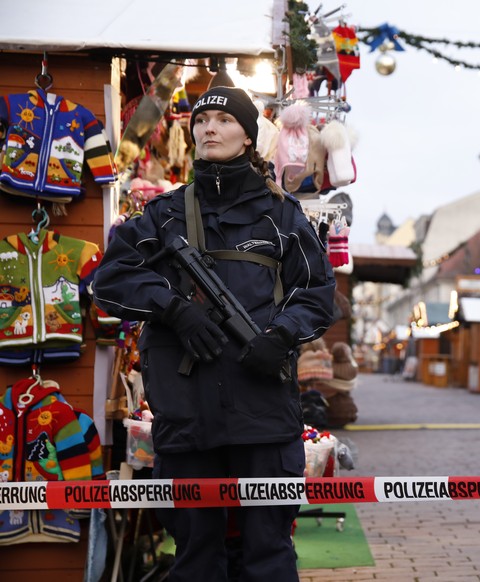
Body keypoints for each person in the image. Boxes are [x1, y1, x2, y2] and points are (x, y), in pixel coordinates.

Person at [93, 86, 336, 581]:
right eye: (202, 120)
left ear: (248, 136)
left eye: (224, 119)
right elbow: (110, 283)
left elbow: (316, 291)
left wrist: (281, 336)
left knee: (267, 553)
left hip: (264, 410)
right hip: (188, 414)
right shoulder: (162, 215)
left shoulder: (282, 215)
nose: (209, 128)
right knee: (196, 555)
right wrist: (174, 309)